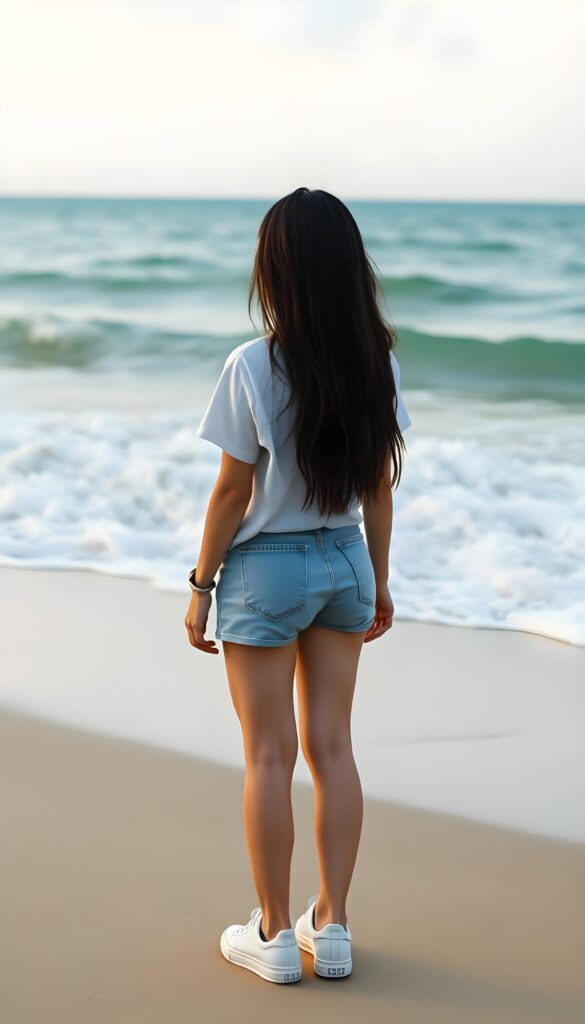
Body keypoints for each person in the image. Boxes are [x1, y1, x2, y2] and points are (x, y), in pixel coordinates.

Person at [185, 187, 412, 984]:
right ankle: (335, 925)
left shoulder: (251, 364)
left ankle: (276, 935)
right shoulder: (375, 360)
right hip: (344, 558)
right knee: (333, 749)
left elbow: (231, 492)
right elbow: (378, 487)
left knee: (268, 757)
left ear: (273, 268)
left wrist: (200, 583)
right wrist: (377, 582)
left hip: (267, 570)